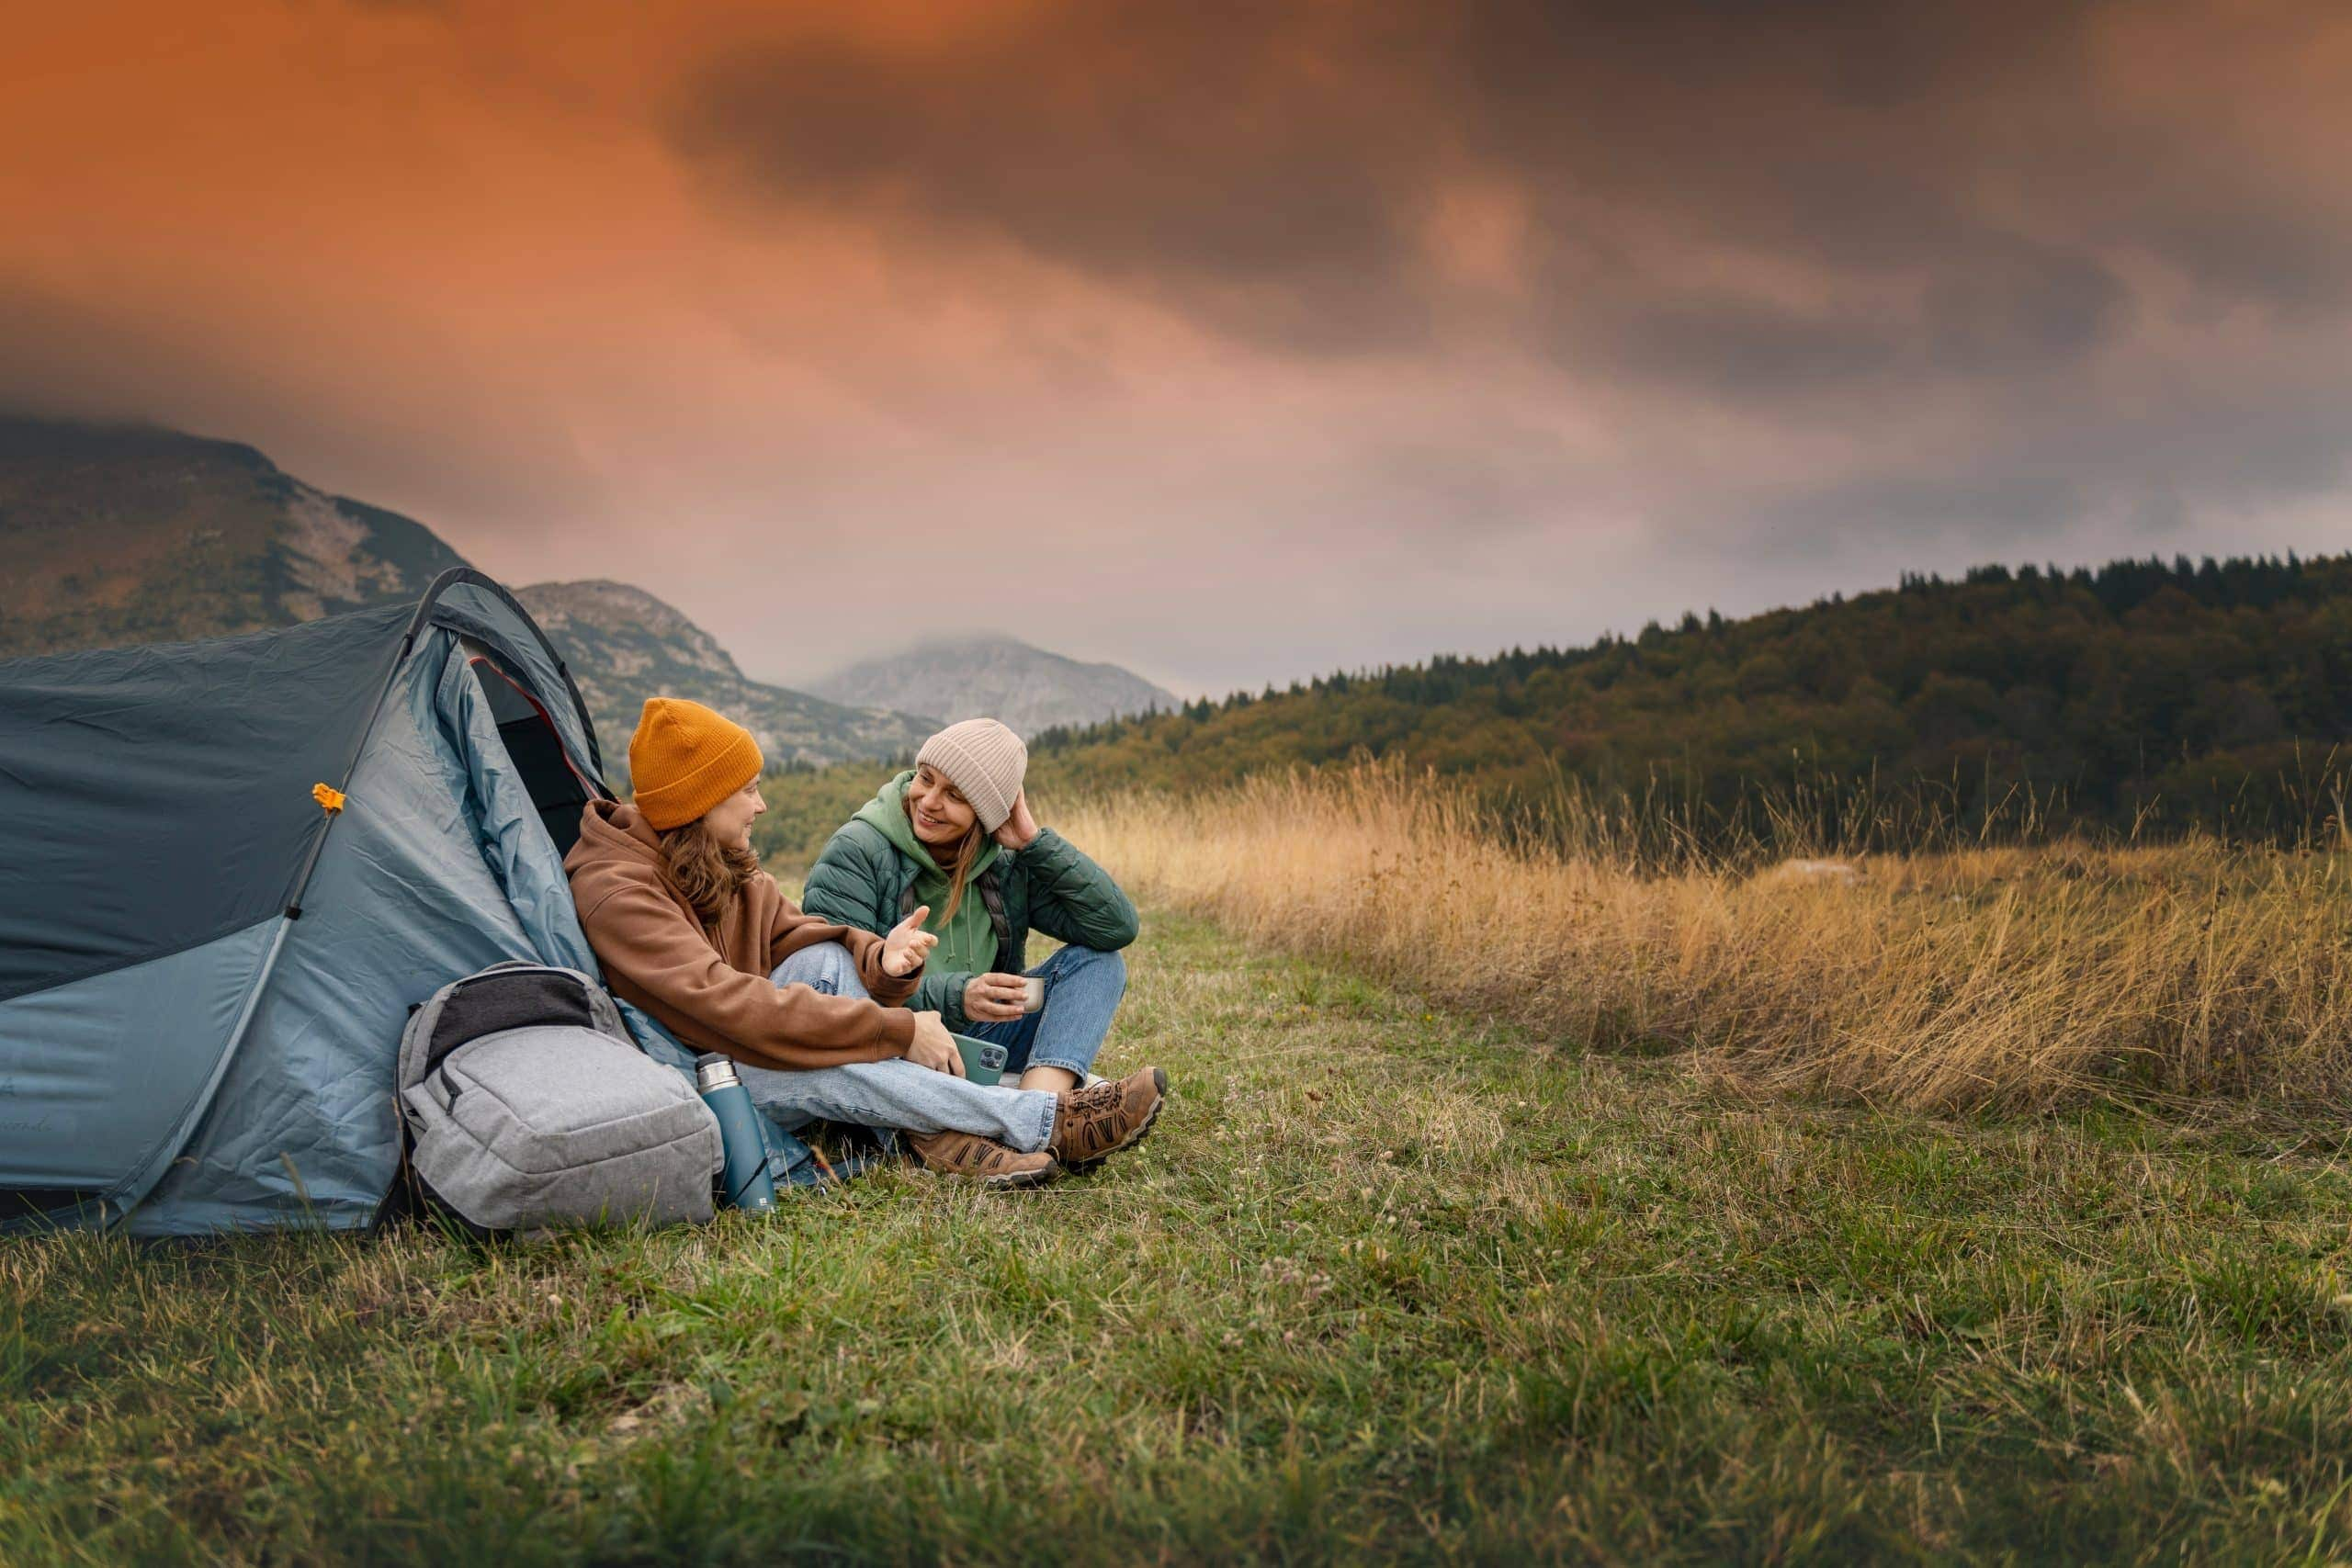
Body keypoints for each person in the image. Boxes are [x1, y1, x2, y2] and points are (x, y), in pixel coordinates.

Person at [563, 697, 1164, 1188]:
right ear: (703, 801)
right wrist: (904, 1025)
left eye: (955, 795)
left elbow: (805, 934)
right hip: (699, 1080)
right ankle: (1042, 1120)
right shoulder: (619, 891)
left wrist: (882, 957)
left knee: (828, 961)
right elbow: (725, 1005)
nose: (762, 804)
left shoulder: (719, 863)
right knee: (831, 1063)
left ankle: (977, 1120)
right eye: (748, 790)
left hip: (768, 1046)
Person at [801, 717, 1145, 1103]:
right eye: (926, 778)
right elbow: (832, 990)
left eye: (956, 795)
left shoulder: (1005, 863)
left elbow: (1115, 927)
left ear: (986, 811)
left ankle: (1039, 1105)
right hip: (897, 1043)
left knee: (1100, 963)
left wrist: (1034, 843)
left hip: (983, 1040)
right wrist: (957, 996)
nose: (929, 802)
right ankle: (1032, 1109)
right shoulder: (859, 850)